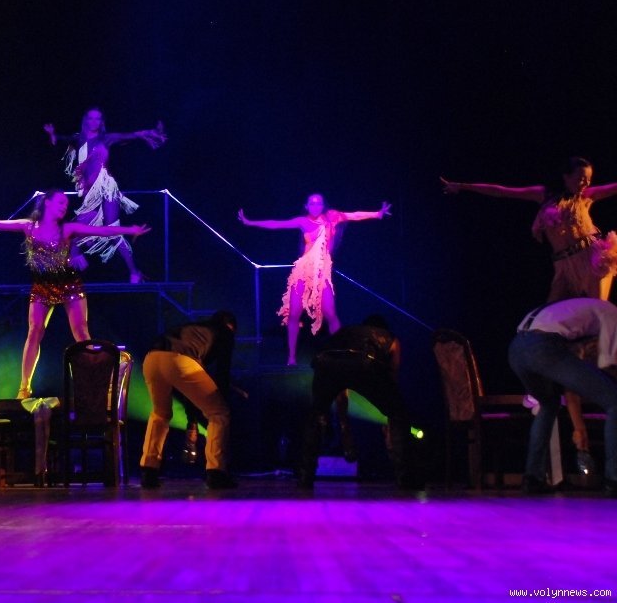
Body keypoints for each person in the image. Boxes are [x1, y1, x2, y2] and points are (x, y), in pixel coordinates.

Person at [441, 157, 617, 467]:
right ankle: (544, 384)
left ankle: (605, 367)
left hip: (591, 257)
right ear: (565, 176)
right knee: (545, 323)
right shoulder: (543, 195)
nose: (585, 183)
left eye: (588, 179)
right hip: (562, 267)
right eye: (580, 177)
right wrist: (463, 186)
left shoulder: (586, 197)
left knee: (599, 315)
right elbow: (502, 191)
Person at [0, 189, 150, 398]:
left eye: (66, 204)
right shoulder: (29, 226)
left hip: (69, 285)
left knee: (81, 333)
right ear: (47, 203)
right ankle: (24, 387)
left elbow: (100, 231)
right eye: (60, 203)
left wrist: (130, 230)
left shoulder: (67, 229)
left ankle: (94, 382)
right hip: (42, 287)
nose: (64, 207)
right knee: (34, 332)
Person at [238, 194, 392, 365]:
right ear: (306, 206)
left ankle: (341, 353)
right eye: (312, 203)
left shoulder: (332, 217)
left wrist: (377, 213)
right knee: (294, 314)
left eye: (318, 203)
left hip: (322, 272)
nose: (315, 205)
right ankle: (291, 358)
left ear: (323, 205)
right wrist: (250, 222)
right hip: (303, 271)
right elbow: (277, 224)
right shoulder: (303, 221)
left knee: (331, 314)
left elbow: (354, 215)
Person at [298, 315, 423, 490]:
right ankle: (405, 478)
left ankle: (305, 477)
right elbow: (392, 382)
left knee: (316, 415)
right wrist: (389, 416)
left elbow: (341, 393)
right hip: (365, 363)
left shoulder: (346, 333)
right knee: (398, 414)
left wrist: (345, 428)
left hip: (325, 362)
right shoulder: (391, 339)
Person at [507, 298, 617, 496]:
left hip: (516, 349)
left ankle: (533, 478)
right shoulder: (612, 312)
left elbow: (571, 378)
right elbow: (607, 363)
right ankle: (613, 479)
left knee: (549, 404)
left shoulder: (575, 307)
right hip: (543, 347)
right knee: (614, 401)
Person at [43, 107, 165, 282]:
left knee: (112, 230)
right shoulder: (79, 138)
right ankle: (72, 257)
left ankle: (134, 272)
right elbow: (61, 141)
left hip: (107, 189)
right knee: (78, 225)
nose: (94, 122)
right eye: (91, 118)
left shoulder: (105, 138)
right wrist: (52, 135)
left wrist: (149, 133)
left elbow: (130, 135)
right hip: (89, 192)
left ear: (101, 122)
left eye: (98, 119)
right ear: (86, 120)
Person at [139, 310, 239, 490]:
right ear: (230, 326)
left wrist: (192, 418)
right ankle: (216, 472)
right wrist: (223, 398)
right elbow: (222, 372)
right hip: (180, 361)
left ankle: (149, 470)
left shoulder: (196, 328)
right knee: (219, 413)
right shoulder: (225, 332)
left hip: (151, 359)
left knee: (160, 414)